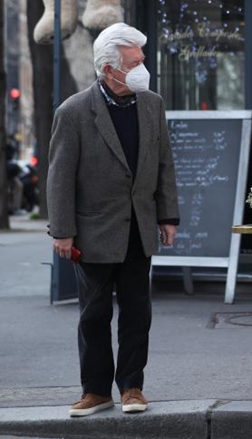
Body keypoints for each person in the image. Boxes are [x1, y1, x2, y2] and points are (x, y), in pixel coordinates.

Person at [47, 23, 179, 417]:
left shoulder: (152, 103)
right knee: (94, 314)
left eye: (142, 60)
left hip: (139, 226)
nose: (143, 68)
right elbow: (59, 176)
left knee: (138, 312)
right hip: (93, 230)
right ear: (108, 70)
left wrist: (168, 215)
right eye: (134, 63)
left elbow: (163, 163)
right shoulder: (73, 112)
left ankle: (132, 387)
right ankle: (95, 390)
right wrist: (63, 231)